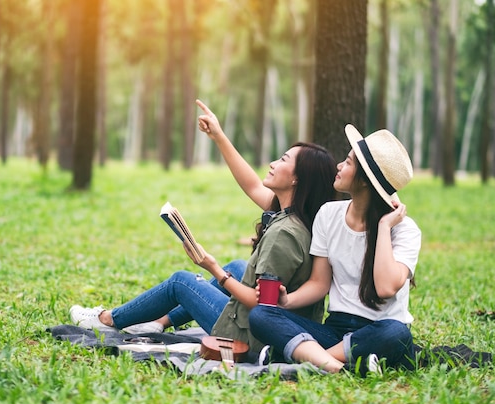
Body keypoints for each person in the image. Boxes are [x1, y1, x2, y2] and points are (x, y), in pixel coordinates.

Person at [68, 99, 338, 355]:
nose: (272, 163)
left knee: (181, 282)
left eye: (282, 160)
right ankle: (159, 322)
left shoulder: (284, 234)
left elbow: (262, 306)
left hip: (251, 336)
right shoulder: (301, 215)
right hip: (288, 322)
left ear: (297, 180)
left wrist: (212, 268)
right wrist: (218, 136)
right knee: (237, 266)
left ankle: (107, 319)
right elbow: (252, 184)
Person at [249, 124, 421, 374]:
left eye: (348, 162)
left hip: (378, 330)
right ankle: (342, 367)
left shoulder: (405, 230)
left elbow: (385, 288)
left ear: (364, 181)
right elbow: (320, 283)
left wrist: (384, 227)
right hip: (335, 330)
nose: (339, 166)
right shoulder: (328, 214)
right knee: (262, 315)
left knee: (397, 333)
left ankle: (311, 361)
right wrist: (286, 302)